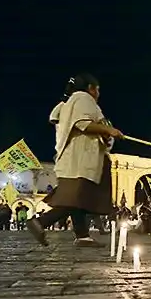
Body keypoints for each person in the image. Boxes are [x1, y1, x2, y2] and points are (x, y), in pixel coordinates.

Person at [28, 73, 123, 247]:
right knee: (76, 198)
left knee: (78, 197)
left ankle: (82, 236)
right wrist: (110, 131)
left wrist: (105, 132)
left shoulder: (69, 102)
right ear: (90, 88)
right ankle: (41, 222)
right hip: (81, 159)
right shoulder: (83, 98)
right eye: (97, 89)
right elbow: (83, 124)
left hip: (73, 159)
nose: (98, 93)